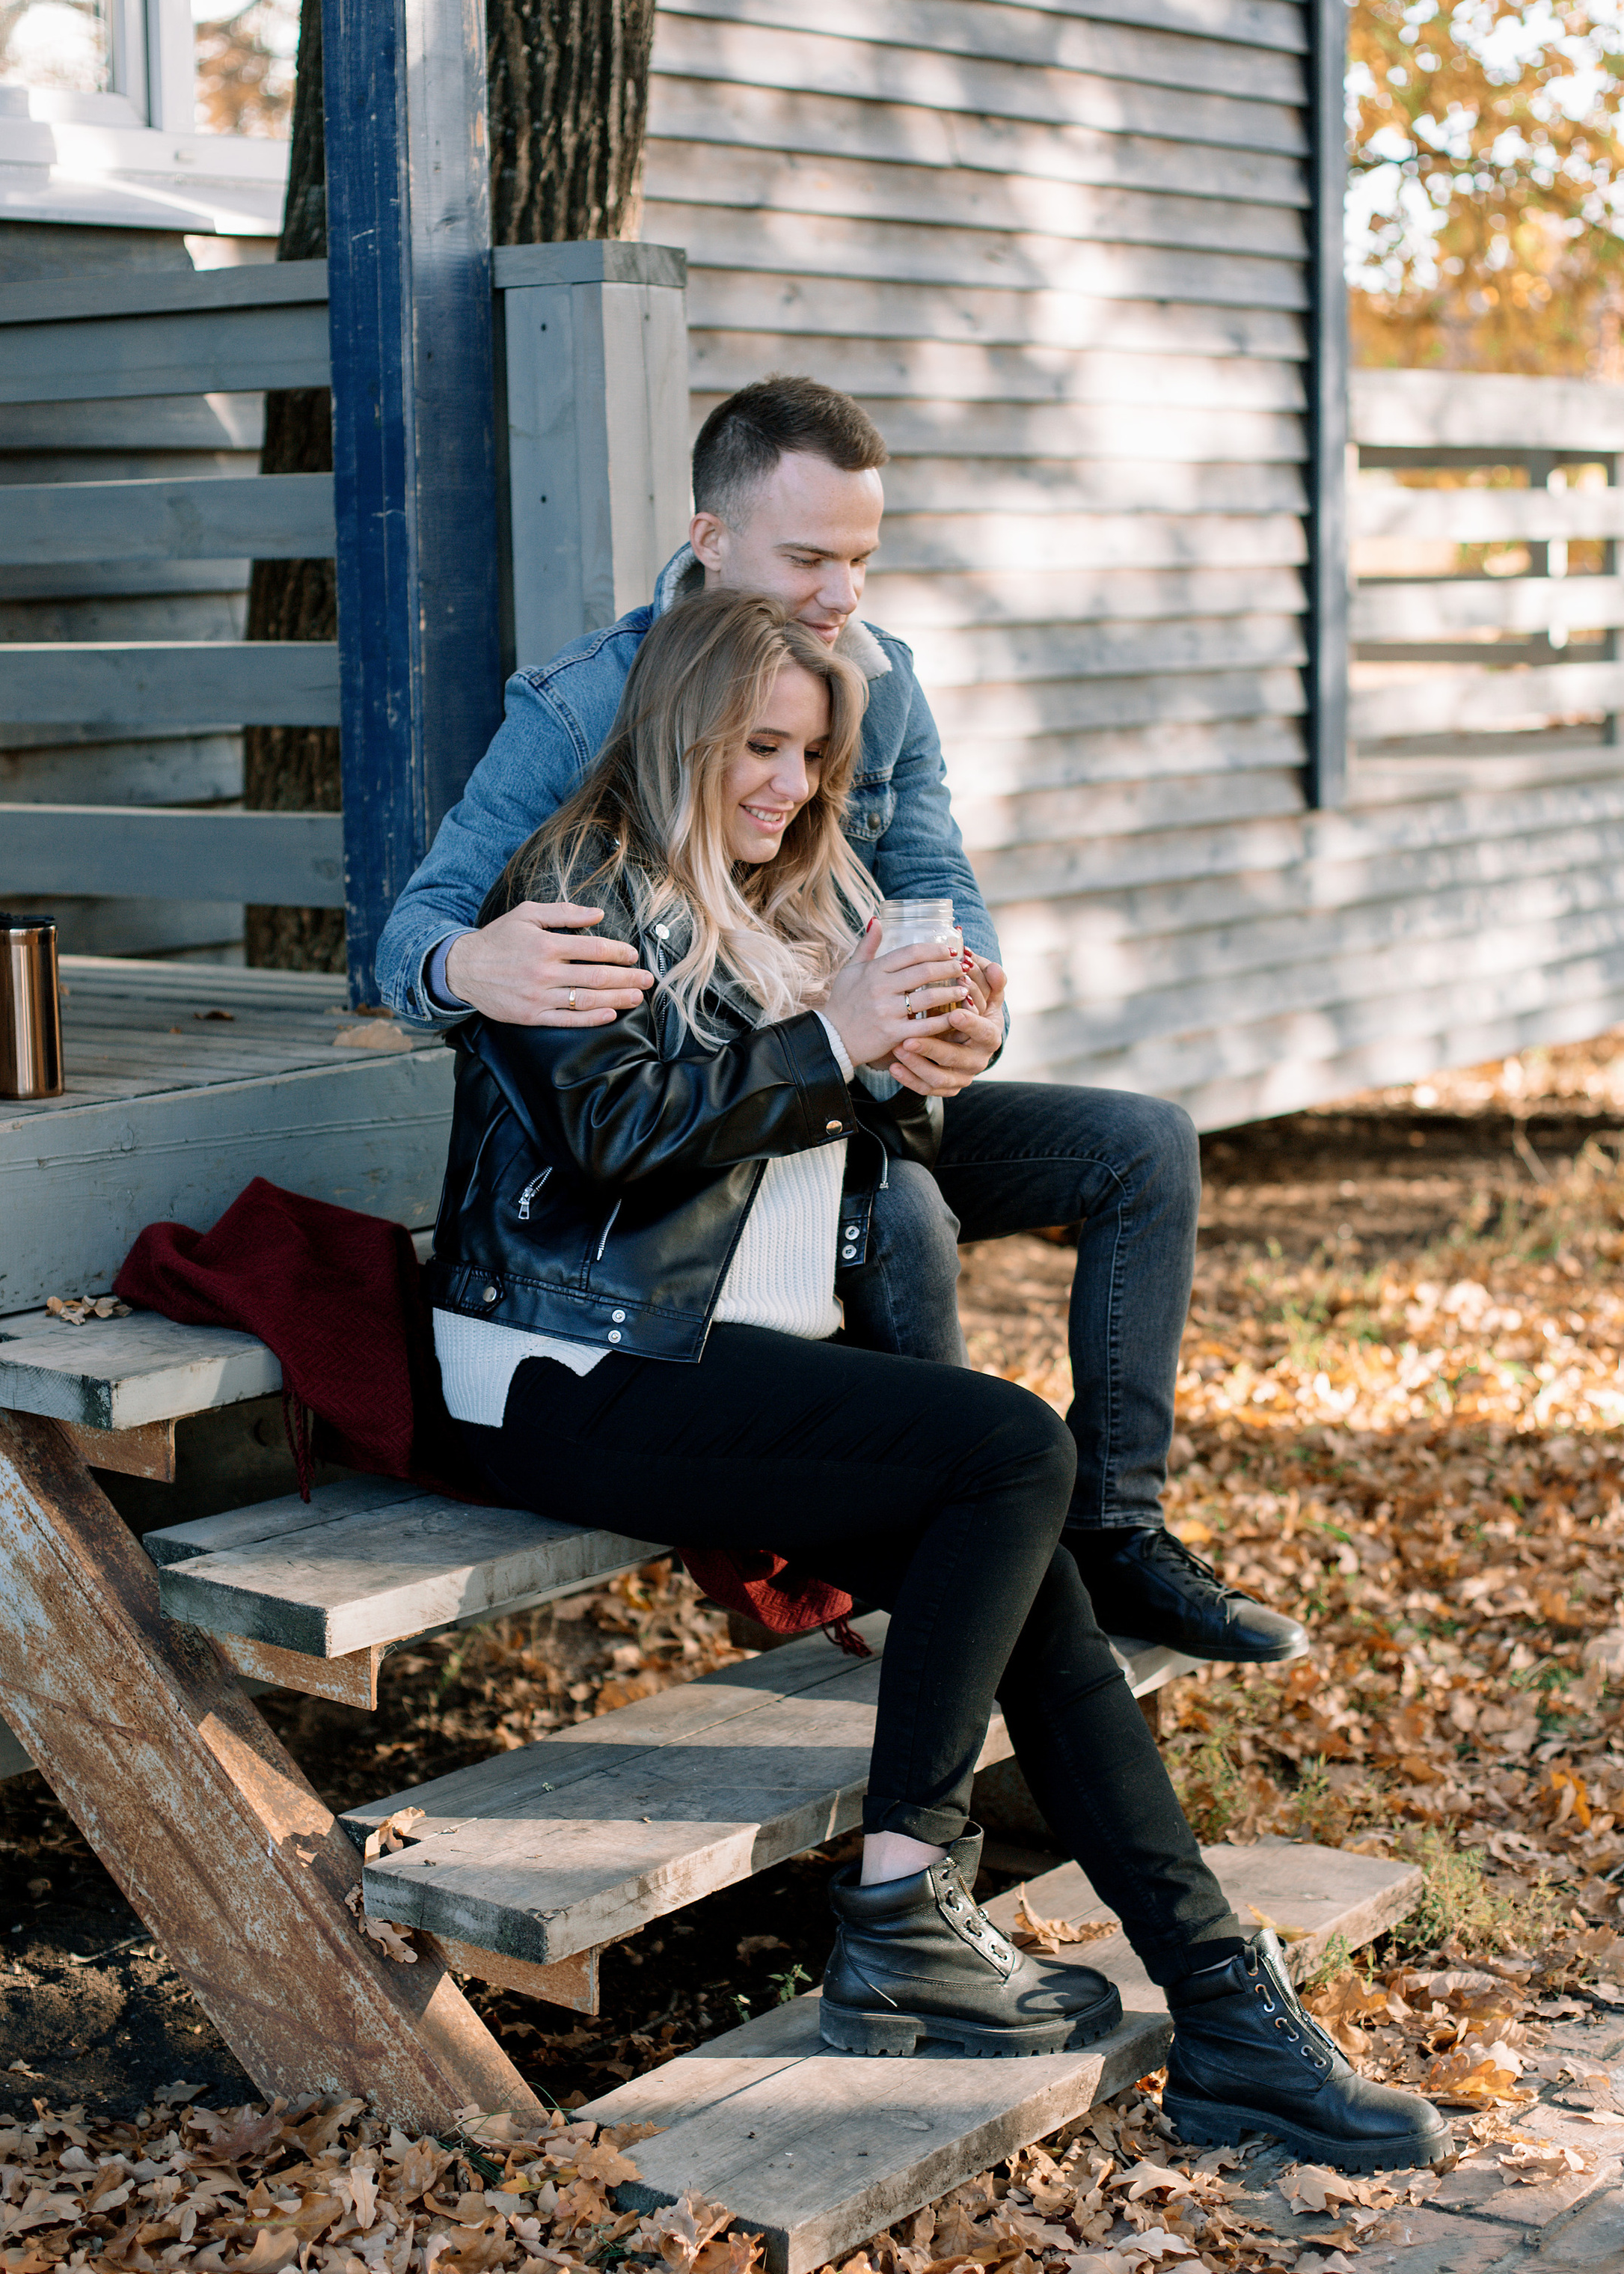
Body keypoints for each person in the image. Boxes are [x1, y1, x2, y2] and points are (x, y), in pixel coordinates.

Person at [425, 583, 1443, 2167]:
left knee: (1030, 1572)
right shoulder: (573, 892)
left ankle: (1225, 2012)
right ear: (682, 724)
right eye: (756, 747)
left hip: (727, 1358)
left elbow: (816, 1147)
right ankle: (903, 1901)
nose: (782, 785)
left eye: (812, 762)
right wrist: (829, 1043)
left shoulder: (793, 897)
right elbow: (612, 1142)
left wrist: (912, 1077)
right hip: (571, 1370)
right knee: (1010, 1451)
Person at [381, 376, 1303, 1672]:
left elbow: (939, 889)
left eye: (862, 559)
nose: (843, 595)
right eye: (808, 557)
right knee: (908, 1208)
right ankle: (958, 1560)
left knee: (1142, 1144)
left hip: (856, 1088)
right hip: (699, 1147)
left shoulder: (886, 681)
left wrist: (965, 1009)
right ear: (711, 542)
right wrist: (473, 958)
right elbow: (405, 936)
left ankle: (1114, 1535)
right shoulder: (587, 703)